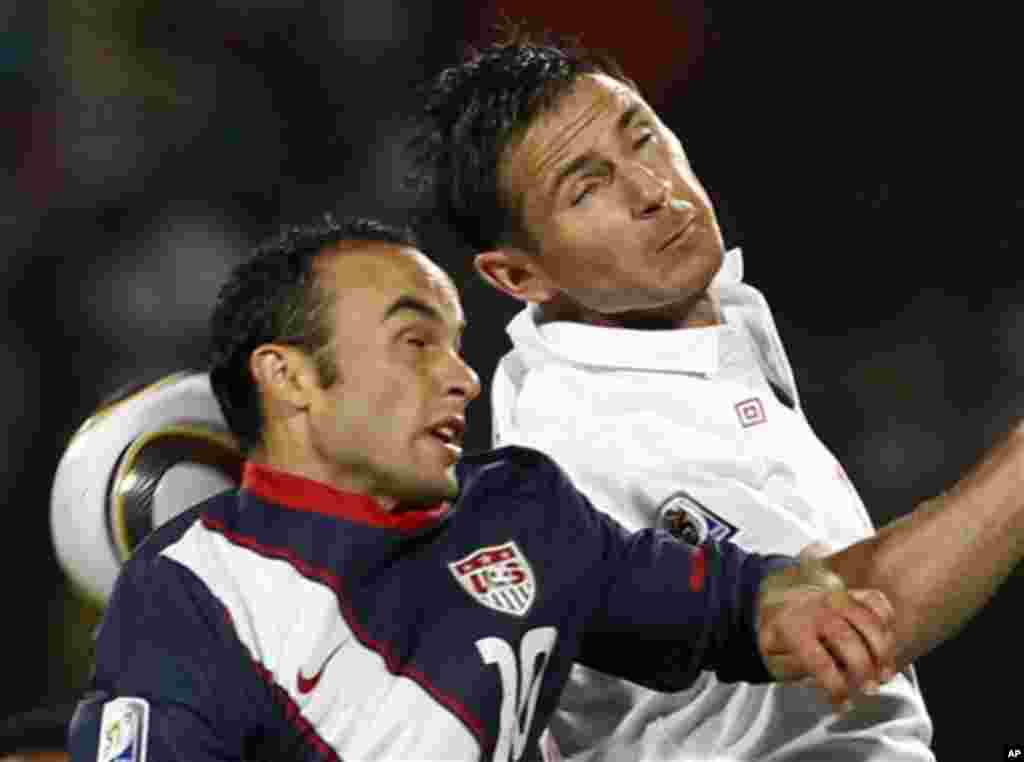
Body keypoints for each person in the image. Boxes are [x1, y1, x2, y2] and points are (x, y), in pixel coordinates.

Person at [63, 215, 894, 762]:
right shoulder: (192, 594)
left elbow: (728, 604)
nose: (463, 377)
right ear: (289, 378)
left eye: (458, 346)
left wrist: (800, 598)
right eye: (415, 342)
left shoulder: (523, 511)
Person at [403, 28, 1018, 760]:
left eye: (645, 138)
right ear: (519, 277)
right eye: (587, 188)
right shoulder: (588, 435)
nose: (654, 191)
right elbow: (850, 626)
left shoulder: (680, 317)